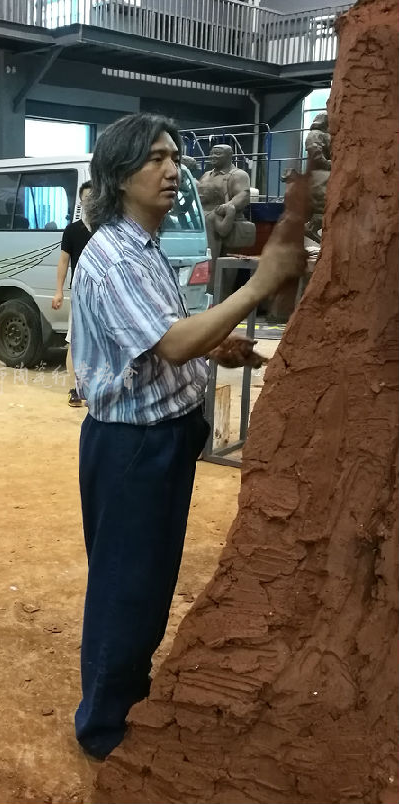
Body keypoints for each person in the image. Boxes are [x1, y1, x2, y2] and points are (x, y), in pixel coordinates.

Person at [70, 113, 306, 761]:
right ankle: (103, 729)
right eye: (155, 158)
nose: (172, 169)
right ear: (119, 175)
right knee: (125, 585)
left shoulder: (146, 247)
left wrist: (216, 347)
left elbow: (162, 340)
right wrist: (260, 285)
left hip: (163, 437)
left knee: (148, 581)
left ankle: (127, 698)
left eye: (175, 156)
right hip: (132, 448)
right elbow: (172, 343)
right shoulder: (113, 256)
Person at [51, 181, 92, 407]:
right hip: (80, 293)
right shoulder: (72, 231)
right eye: (87, 199)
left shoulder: (107, 229)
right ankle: (74, 389)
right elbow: (63, 262)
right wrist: (58, 291)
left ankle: (96, 389)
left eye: (95, 198)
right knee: (74, 340)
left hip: (105, 293)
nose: (91, 203)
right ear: (81, 202)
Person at [196, 144, 254, 295]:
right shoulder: (206, 175)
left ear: (229, 156)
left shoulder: (238, 175)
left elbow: (243, 195)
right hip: (203, 221)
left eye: (218, 154)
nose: (213, 157)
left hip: (226, 224)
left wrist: (226, 208)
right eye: (212, 153)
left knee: (223, 271)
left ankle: (220, 298)